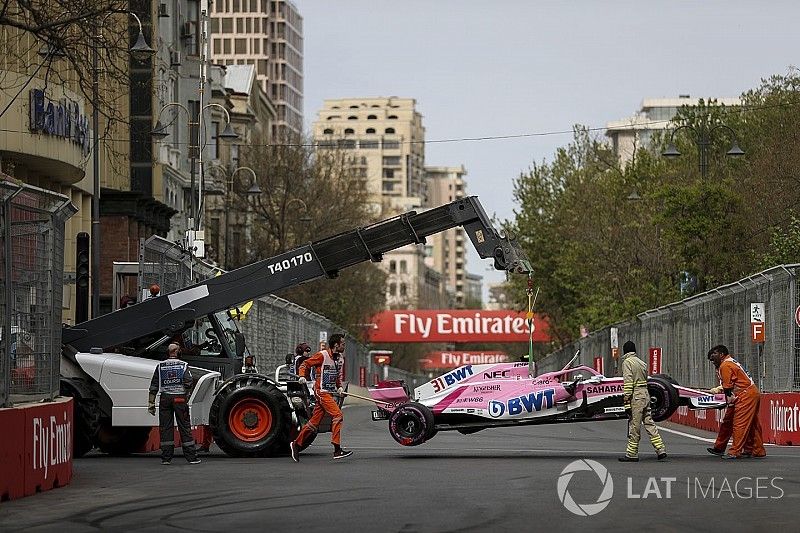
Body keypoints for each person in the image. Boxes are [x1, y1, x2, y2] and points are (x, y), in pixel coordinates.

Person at [290, 333, 353, 461]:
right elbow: (305, 364)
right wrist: (302, 376)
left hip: (329, 393)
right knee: (337, 415)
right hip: (321, 392)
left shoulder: (339, 359)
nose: (344, 346)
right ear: (336, 345)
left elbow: (336, 375)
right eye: (343, 344)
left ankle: (296, 444)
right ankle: (337, 450)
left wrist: (339, 387)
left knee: (314, 423)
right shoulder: (322, 355)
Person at [706, 345, 766, 459]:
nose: (712, 359)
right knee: (747, 423)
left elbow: (728, 387)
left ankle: (734, 451)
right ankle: (755, 449)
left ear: (721, 354)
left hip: (745, 394)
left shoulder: (725, 365)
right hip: (746, 393)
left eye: (714, 355)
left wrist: (725, 398)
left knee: (740, 423)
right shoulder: (729, 362)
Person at [148, 343, 201, 465]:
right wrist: (186, 395)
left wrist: (151, 403)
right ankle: (191, 457)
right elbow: (188, 382)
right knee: (184, 427)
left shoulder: (160, 366)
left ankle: (166, 458)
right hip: (179, 399)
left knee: (165, 428)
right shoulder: (183, 365)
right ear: (177, 352)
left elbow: (154, 385)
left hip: (165, 399)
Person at [619, 340, 667, 462]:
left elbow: (628, 382)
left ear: (625, 351)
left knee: (635, 425)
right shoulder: (642, 363)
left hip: (636, 396)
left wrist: (626, 399)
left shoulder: (627, 362)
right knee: (649, 423)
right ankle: (660, 449)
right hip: (645, 394)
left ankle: (632, 454)